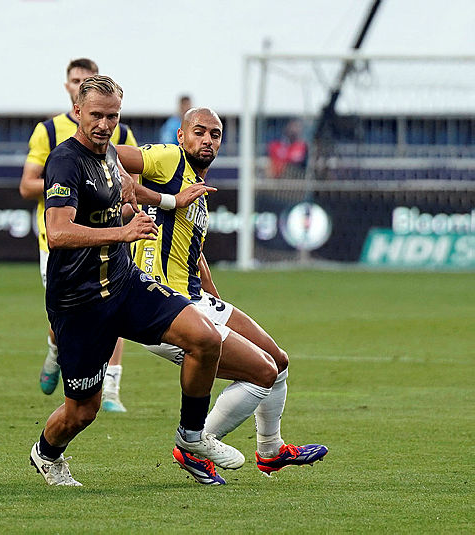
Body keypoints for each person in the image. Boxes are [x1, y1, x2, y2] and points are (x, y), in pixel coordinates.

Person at [29, 75, 243, 487]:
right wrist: (121, 233)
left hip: (126, 284)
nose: (105, 124)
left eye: (113, 116)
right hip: (81, 302)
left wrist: (163, 204)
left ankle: (193, 436)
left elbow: (128, 197)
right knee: (83, 410)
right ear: (77, 111)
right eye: (96, 115)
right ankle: (46, 453)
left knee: (205, 339)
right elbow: (58, 232)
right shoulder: (65, 161)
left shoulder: (110, 157)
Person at [117, 107, 327, 483]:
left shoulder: (197, 184)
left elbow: (191, 248)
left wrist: (214, 296)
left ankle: (271, 450)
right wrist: (166, 200)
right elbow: (110, 155)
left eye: (215, 134)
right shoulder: (168, 159)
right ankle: (195, 443)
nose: (208, 140)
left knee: (278, 362)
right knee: (261, 372)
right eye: (199, 132)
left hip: (196, 297)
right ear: (181, 136)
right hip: (162, 305)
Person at [19, 58, 137, 412]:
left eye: (86, 78)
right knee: (65, 318)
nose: (105, 123)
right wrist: (72, 188)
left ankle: (112, 388)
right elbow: (27, 185)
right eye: (75, 80)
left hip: (112, 239)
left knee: (115, 307)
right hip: (62, 244)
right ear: (73, 94)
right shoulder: (51, 133)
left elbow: (127, 187)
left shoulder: (120, 135)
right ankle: (55, 350)